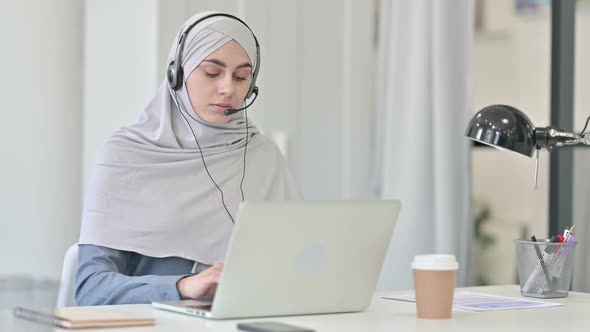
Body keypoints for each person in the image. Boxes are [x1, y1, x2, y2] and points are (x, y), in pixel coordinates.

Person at [75, 11, 301, 306]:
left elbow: (295, 263)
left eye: (242, 77)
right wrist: (182, 286)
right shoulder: (125, 154)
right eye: (211, 72)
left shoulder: (264, 157)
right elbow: (91, 288)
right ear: (177, 73)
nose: (228, 89)